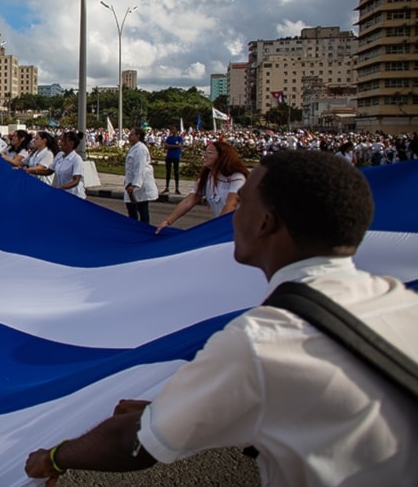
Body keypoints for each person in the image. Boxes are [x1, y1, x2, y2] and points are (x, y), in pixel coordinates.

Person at [25, 150, 418, 486]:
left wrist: (55, 456)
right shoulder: (403, 307)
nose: (232, 213)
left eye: (243, 202)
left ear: (265, 223)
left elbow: (138, 442)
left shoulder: (262, 341)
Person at [155, 141, 249, 234]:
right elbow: (189, 201)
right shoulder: (208, 177)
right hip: (224, 227)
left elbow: (231, 205)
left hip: (242, 230)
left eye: (209, 153)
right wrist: (167, 221)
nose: (205, 155)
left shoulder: (237, 177)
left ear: (222, 156)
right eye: (205, 152)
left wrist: (217, 229)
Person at [123, 127, 159, 224]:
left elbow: (140, 168)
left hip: (140, 184)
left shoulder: (140, 149)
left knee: (142, 210)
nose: (129, 136)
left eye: (131, 134)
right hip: (132, 182)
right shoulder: (135, 148)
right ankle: (134, 229)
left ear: (138, 136)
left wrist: (134, 185)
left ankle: (144, 230)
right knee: (131, 208)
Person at [43, 132, 87, 198]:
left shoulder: (76, 159)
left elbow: (76, 180)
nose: (60, 143)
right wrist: (32, 171)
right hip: (62, 193)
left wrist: (61, 188)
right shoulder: (59, 155)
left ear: (71, 143)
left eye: (63, 141)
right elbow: (49, 171)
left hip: (74, 195)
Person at [162, 127, 184, 194]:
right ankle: (167, 187)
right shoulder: (169, 138)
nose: (172, 131)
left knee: (176, 172)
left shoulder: (179, 138)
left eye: (173, 129)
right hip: (169, 156)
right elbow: (165, 146)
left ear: (177, 131)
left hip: (176, 156)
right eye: (172, 129)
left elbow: (179, 146)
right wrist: (174, 146)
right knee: (168, 172)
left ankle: (177, 188)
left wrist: (170, 146)